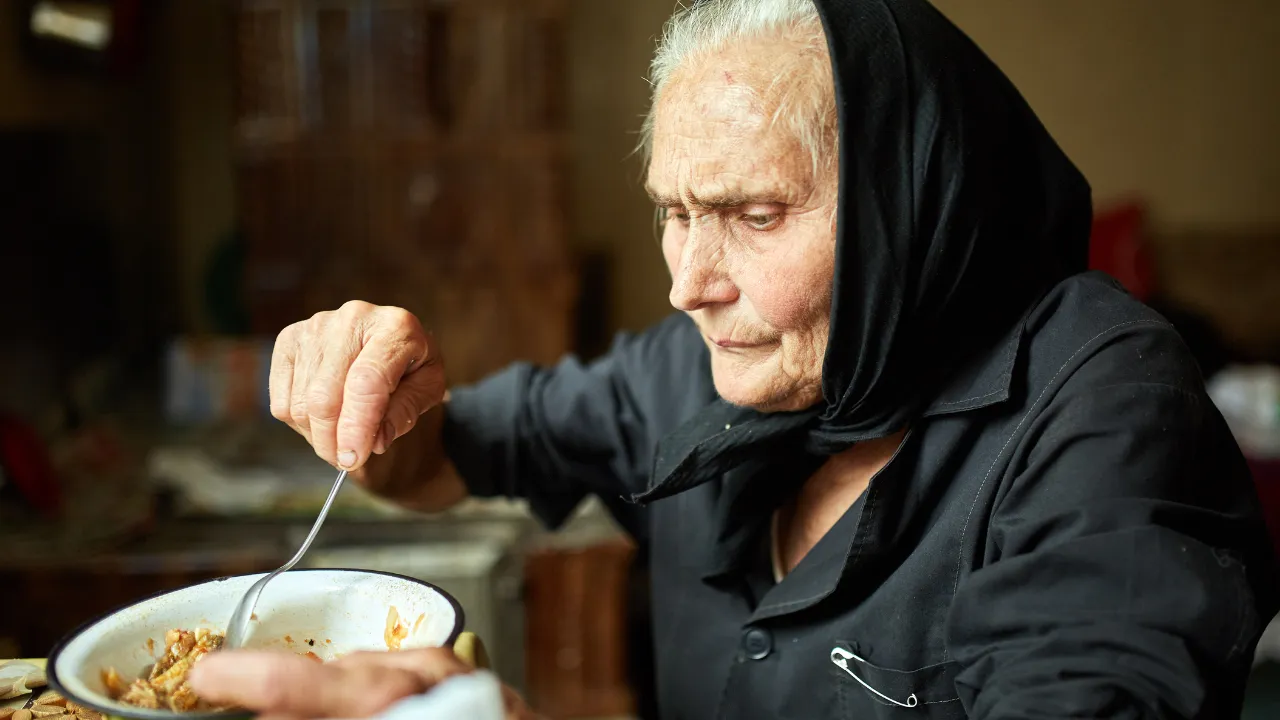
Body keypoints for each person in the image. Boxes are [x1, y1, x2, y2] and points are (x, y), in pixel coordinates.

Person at [190, 0, 1279, 717]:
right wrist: (371, 398)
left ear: (913, 204)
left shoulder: (1106, 406)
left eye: (754, 213)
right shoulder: (697, 366)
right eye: (673, 210)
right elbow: (443, 458)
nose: (687, 283)